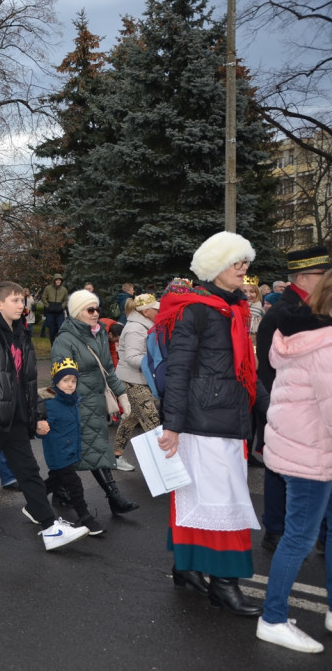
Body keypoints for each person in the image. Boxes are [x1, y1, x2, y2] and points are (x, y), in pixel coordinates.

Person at [156, 231, 265, 616]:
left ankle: (185, 568)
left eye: (245, 262)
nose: (243, 269)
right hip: (203, 423)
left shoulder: (232, 309)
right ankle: (224, 584)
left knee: (202, 499)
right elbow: (179, 370)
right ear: (216, 268)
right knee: (223, 501)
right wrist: (172, 426)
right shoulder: (197, 310)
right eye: (236, 262)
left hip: (227, 418)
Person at [0, 281, 90, 550]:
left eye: (22, 300)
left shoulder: (20, 333)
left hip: (15, 417)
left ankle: (50, 527)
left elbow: (26, 381)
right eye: (15, 301)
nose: (21, 305)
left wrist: (36, 413)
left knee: (29, 471)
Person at [254, 269, 332, 653]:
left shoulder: (304, 336)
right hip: (310, 452)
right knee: (299, 538)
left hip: (308, 447)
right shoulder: (325, 346)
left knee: (318, 532)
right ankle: (273, 619)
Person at [255, 246, 331, 552]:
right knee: (278, 469)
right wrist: (277, 403)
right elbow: (266, 364)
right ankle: (275, 529)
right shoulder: (283, 312)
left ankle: (318, 531)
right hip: (287, 403)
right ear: (303, 276)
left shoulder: (313, 304)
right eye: (323, 274)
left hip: (310, 404)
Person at [51, 289, 137, 515]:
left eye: (97, 308)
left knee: (79, 452)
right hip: (78, 402)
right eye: (90, 309)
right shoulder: (65, 340)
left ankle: (56, 491)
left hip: (96, 400)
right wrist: (69, 403)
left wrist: (122, 395)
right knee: (94, 449)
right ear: (78, 312)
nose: (96, 313)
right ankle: (114, 497)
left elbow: (108, 369)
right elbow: (61, 377)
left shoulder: (98, 334)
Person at [31, 359, 105, 535]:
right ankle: (85, 517)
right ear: (56, 381)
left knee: (55, 480)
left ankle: (32, 505)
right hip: (58, 452)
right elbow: (39, 426)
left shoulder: (72, 400)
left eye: (73, 381)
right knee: (74, 484)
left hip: (70, 449)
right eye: (65, 381)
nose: (70, 385)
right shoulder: (50, 403)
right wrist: (39, 427)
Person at [113, 294, 162, 472]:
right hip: (133, 381)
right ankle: (164, 466)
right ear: (146, 311)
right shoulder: (136, 328)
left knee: (132, 417)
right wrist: (157, 363)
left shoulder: (143, 325)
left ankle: (116, 456)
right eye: (156, 308)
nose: (159, 311)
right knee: (152, 421)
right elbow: (132, 357)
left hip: (138, 379)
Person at [41, 274, 68, 343]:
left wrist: (62, 306)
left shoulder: (64, 290)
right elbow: (44, 297)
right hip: (50, 313)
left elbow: (66, 299)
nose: (58, 281)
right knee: (52, 330)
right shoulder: (48, 288)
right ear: (54, 280)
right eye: (57, 280)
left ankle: (60, 344)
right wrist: (48, 306)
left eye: (60, 280)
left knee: (60, 328)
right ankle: (52, 344)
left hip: (60, 313)